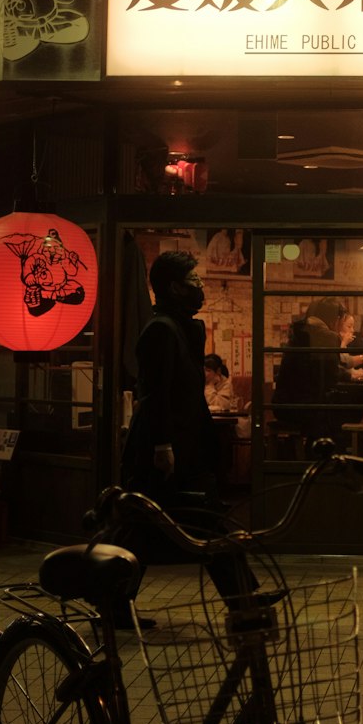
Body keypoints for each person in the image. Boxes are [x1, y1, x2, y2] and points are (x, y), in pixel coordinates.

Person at [118, 250, 220, 622]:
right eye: (195, 282)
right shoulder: (160, 329)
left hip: (183, 445)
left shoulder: (182, 328)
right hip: (163, 449)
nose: (201, 289)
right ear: (175, 288)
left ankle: (245, 598)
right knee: (147, 529)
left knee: (161, 527)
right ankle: (245, 598)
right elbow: (155, 393)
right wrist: (163, 446)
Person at [272, 296, 348, 445]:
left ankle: (306, 456)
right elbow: (330, 377)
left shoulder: (299, 331)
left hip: (282, 404)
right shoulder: (327, 336)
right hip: (304, 407)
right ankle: (323, 459)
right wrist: (350, 376)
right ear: (336, 319)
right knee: (339, 419)